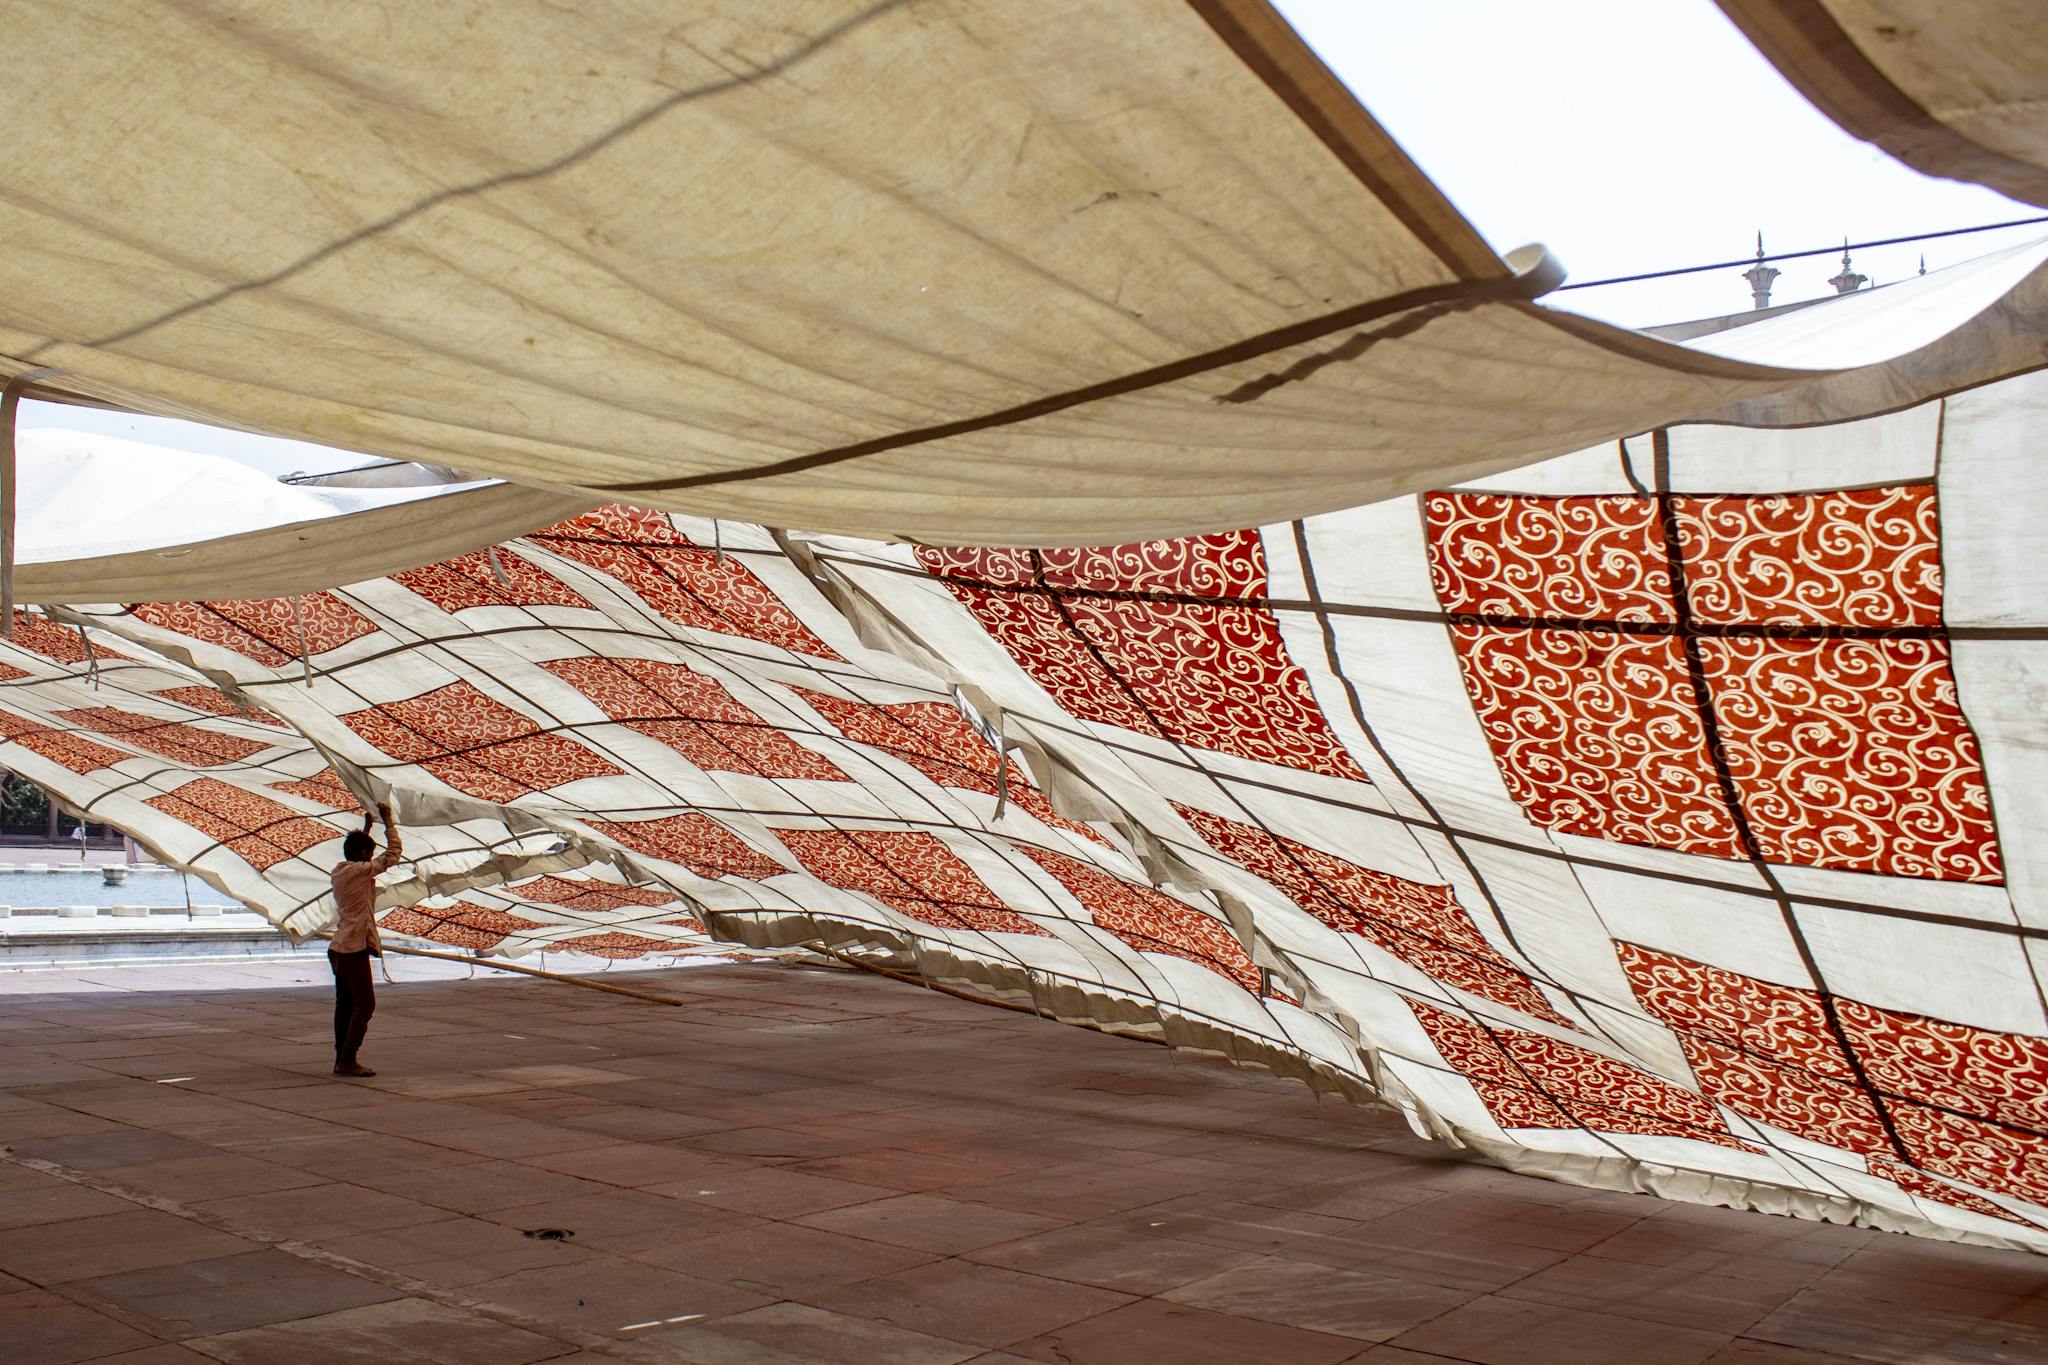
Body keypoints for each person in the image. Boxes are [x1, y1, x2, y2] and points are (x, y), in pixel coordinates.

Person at [330, 802, 402, 1078]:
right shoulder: (359, 871)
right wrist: (389, 823)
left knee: (345, 1004)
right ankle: (348, 1058)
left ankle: (341, 1057)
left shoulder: (341, 871)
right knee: (365, 1003)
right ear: (363, 855)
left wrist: (368, 826)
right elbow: (392, 855)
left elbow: (359, 853)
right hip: (352, 948)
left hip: (339, 947)